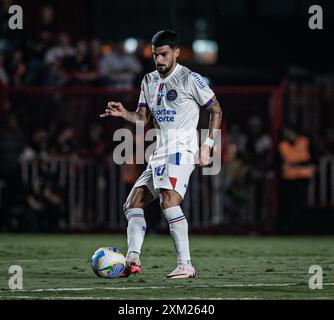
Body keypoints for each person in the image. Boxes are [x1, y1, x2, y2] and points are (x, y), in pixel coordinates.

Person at [100, 30, 222, 279]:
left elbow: (216, 110)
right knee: (132, 204)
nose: (160, 60)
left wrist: (207, 144)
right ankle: (132, 260)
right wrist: (125, 113)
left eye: (164, 54)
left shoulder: (190, 78)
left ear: (176, 52)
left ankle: (186, 264)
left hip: (181, 151)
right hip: (158, 153)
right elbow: (142, 118)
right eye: (156, 55)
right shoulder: (148, 80)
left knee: (169, 201)